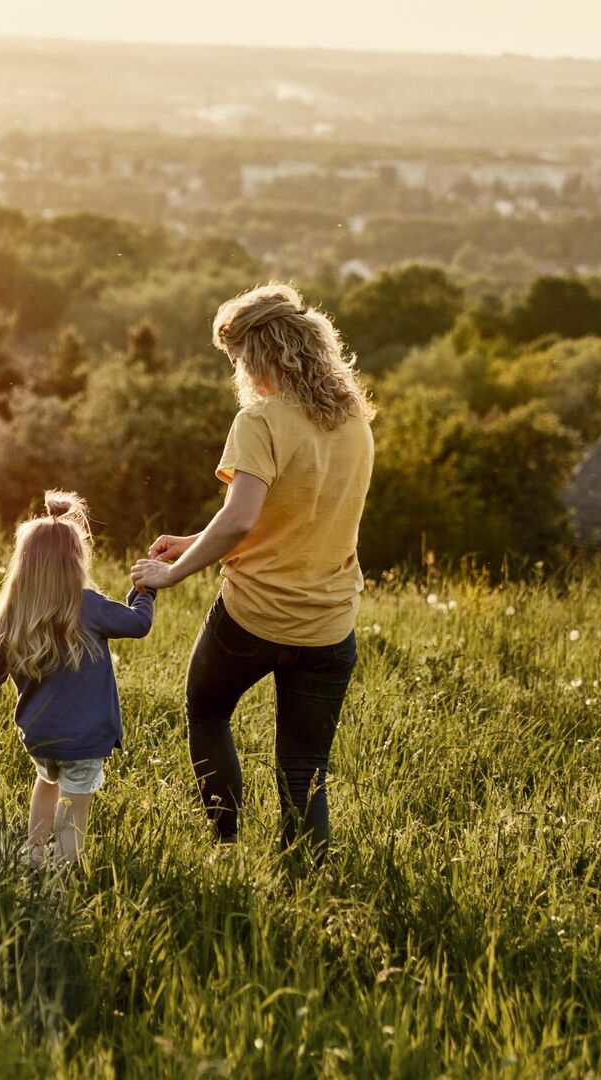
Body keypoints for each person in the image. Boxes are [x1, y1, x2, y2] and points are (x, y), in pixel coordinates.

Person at [130, 282, 374, 857]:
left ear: (261, 354)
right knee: (304, 766)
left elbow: (241, 521)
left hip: (253, 618)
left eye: (237, 361)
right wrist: (194, 540)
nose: (238, 373)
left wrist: (173, 573)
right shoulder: (354, 423)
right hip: (328, 625)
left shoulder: (261, 420)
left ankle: (225, 845)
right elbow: (296, 515)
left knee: (207, 712)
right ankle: (309, 881)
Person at [0, 491, 156, 865]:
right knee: (75, 807)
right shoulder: (88, 605)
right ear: (77, 561)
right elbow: (138, 623)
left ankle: (35, 853)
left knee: (47, 781)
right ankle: (62, 870)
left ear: (23, 564)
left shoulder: (13, 615)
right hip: (86, 737)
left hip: (41, 735)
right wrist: (146, 590)